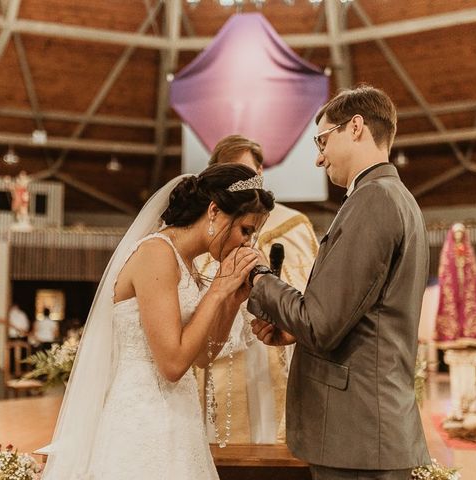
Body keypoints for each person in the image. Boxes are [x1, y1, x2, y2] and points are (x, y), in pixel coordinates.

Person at [41, 163, 274, 479]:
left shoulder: (188, 263)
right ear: (215, 211)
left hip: (179, 418)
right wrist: (219, 288)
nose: (247, 243)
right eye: (245, 230)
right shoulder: (156, 253)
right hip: (142, 420)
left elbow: (202, 357)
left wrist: (233, 300)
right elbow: (173, 364)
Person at [249, 86, 430, 479]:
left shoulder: (373, 200)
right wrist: (294, 329)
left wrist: (257, 276)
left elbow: (321, 323)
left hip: (359, 436)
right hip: (367, 435)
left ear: (356, 127)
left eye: (322, 139)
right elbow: (356, 317)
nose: (318, 157)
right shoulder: (394, 198)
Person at [196, 134, 318, 443]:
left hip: (276, 354)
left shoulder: (294, 225)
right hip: (223, 360)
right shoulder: (206, 231)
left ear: (260, 172)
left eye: (247, 173)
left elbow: (312, 292)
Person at [434, 223, 476, 344]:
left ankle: (470, 331)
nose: (458, 236)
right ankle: (451, 332)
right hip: (453, 285)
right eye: (456, 233)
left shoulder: (468, 252)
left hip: (465, 284)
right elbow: (445, 270)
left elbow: (473, 270)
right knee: (451, 303)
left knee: (468, 303)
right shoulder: (448, 252)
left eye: (460, 233)